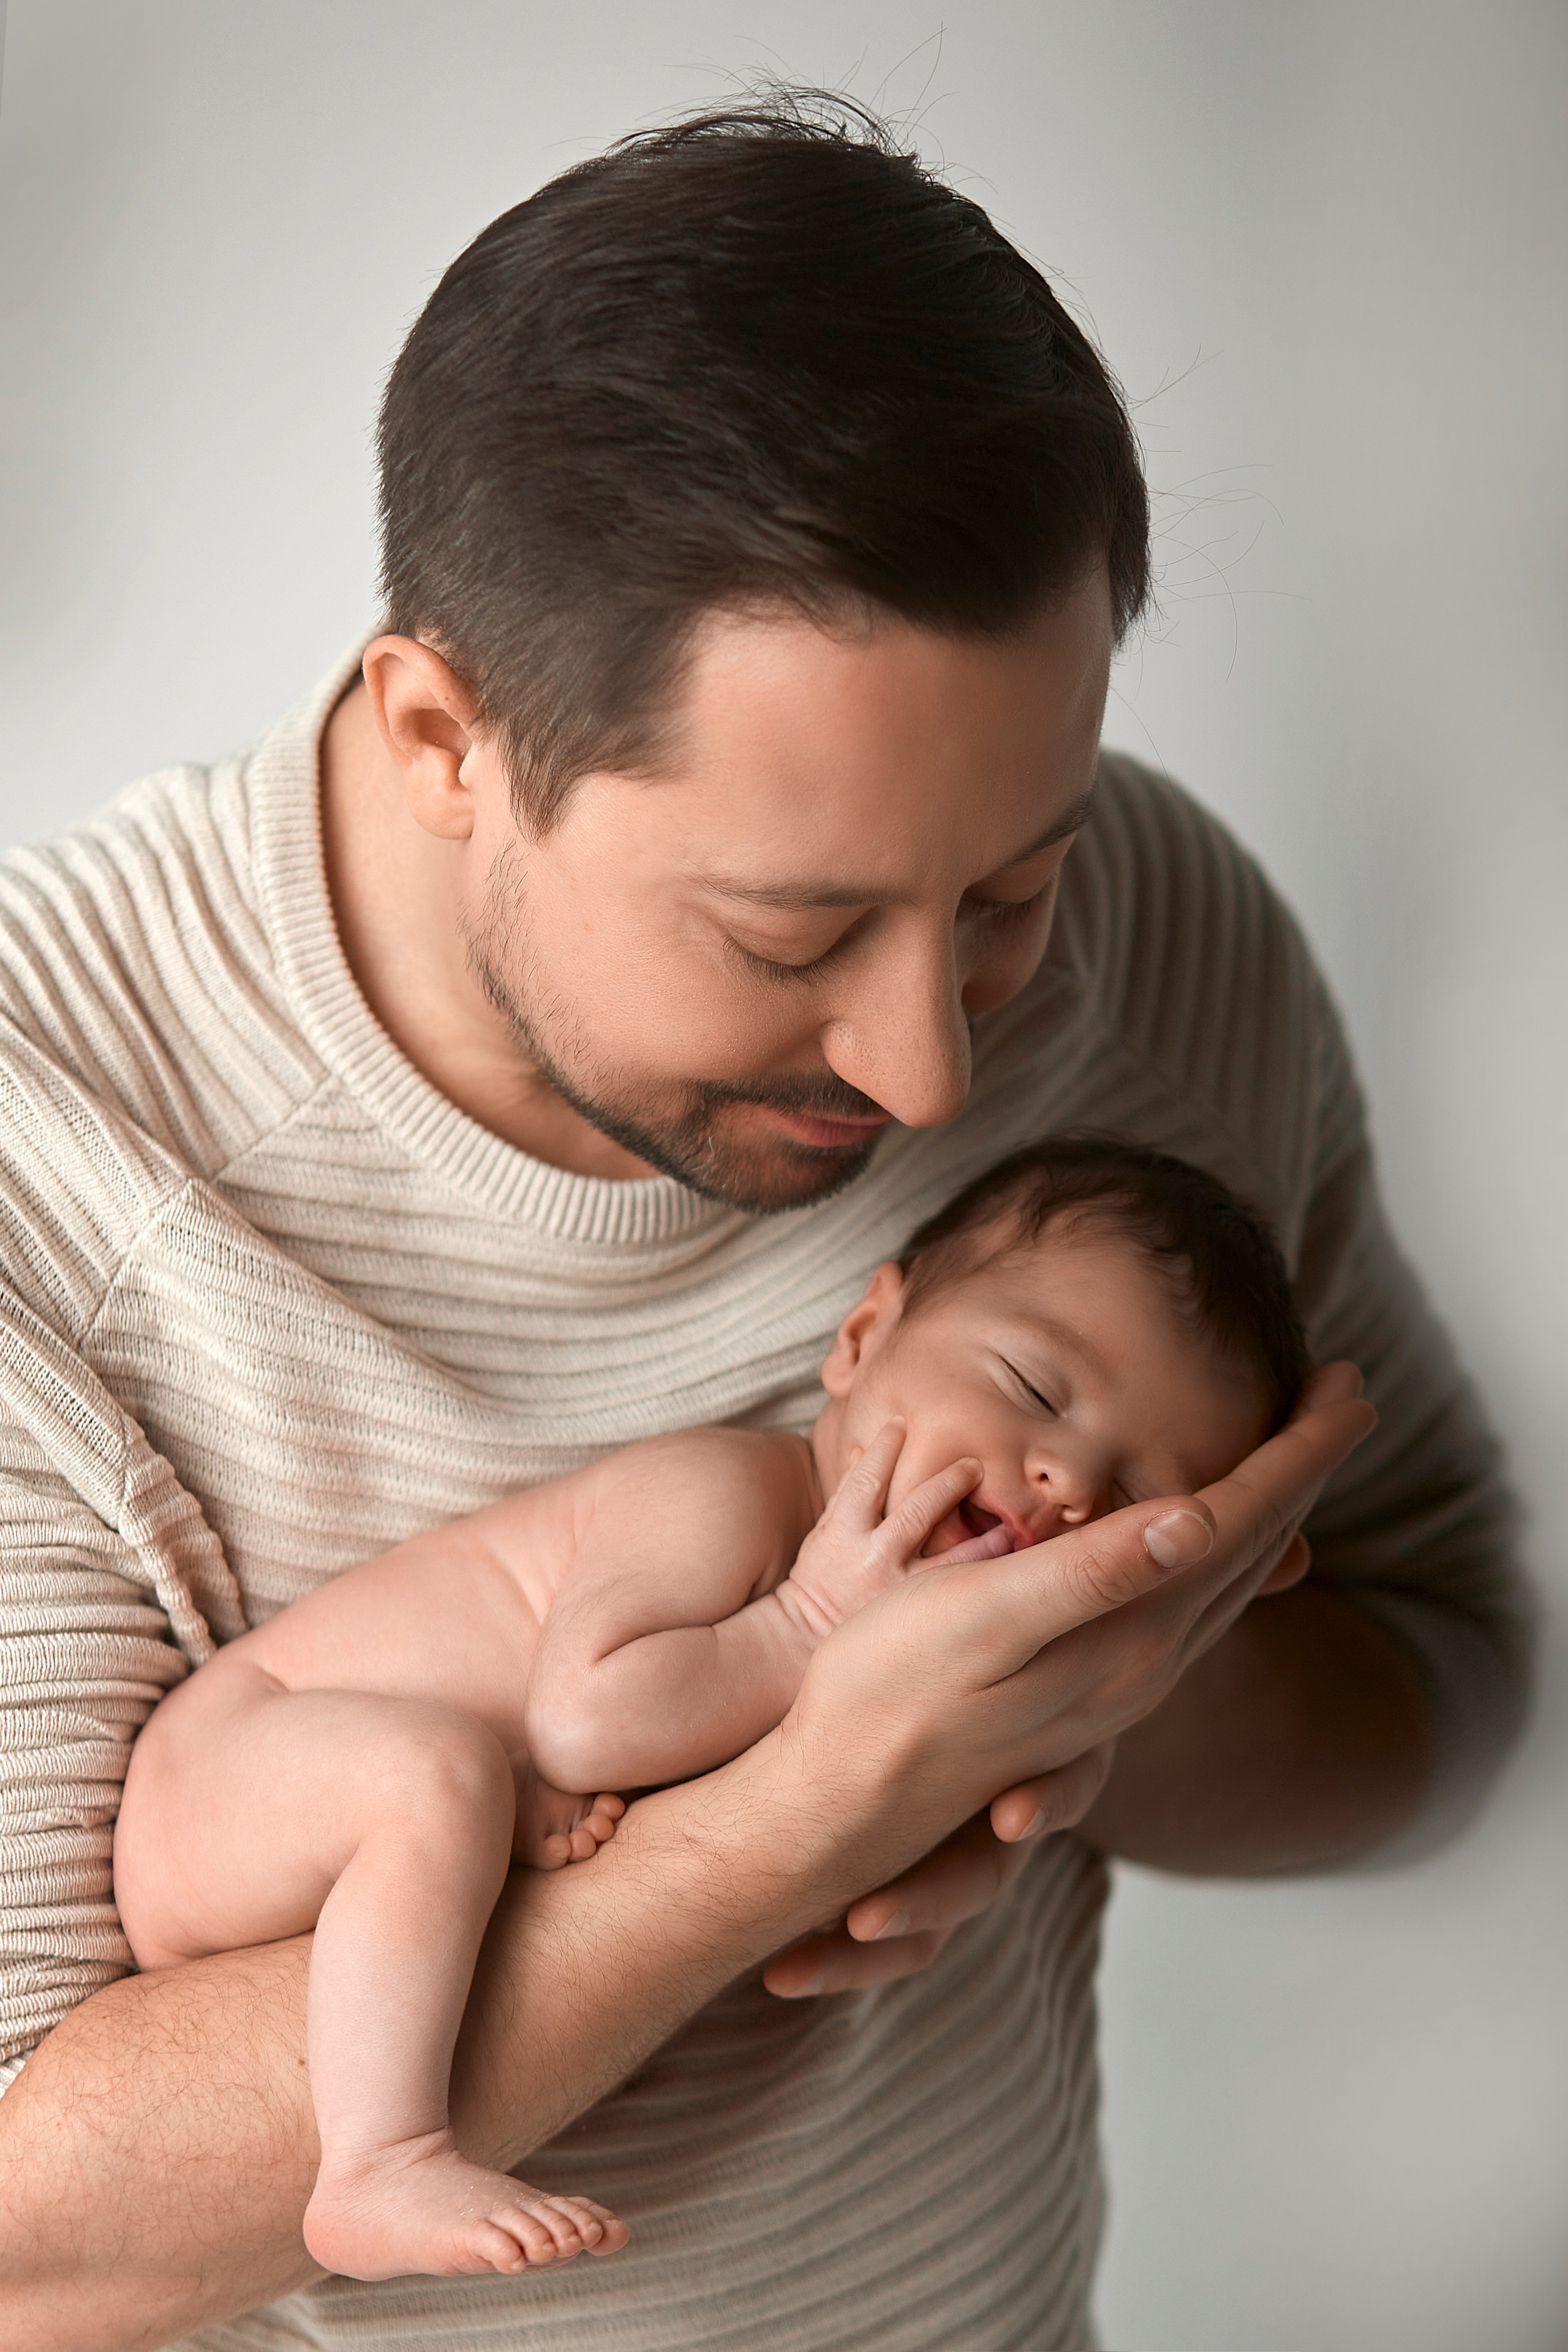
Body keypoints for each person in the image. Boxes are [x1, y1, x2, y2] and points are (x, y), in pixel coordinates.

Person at [0, 97, 1526, 2352]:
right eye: (788, 933)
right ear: (444, 737)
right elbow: (22, 2236)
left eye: (1004, 896)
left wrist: (1098, 1702)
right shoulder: (51, 1155)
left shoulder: (1159, 926)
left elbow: (1449, 1692)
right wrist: (808, 1801)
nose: (933, 1071)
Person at [113, 1137, 1311, 2286]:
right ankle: (379, 2162)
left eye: (1138, 1493)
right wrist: (806, 1619)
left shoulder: (892, 1644)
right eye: (1032, 1387)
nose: (1068, 1481)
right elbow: (588, 1720)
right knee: (436, 1775)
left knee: (447, 1786)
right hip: (237, 1772)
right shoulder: (724, 1493)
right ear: (863, 1338)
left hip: (333, 1886)